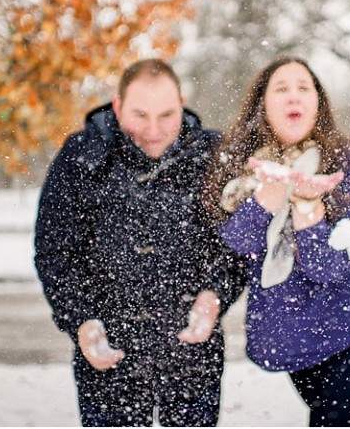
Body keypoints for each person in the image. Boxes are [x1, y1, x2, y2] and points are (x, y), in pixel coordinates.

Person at [34, 58, 246, 427]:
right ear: (117, 106)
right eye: (140, 115)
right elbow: (55, 252)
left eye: (166, 115)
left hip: (192, 356)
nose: (152, 130)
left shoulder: (215, 157)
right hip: (108, 355)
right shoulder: (80, 156)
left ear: (181, 102)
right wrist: (81, 320)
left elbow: (237, 245)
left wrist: (214, 296)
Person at [202, 57, 350, 426]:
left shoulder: (346, 162)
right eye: (281, 89)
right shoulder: (241, 166)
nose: (293, 97)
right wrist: (269, 196)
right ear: (262, 104)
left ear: (318, 102)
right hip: (304, 334)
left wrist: (308, 207)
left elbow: (326, 266)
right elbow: (239, 243)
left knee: (341, 419)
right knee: (347, 418)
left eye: (303, 88)